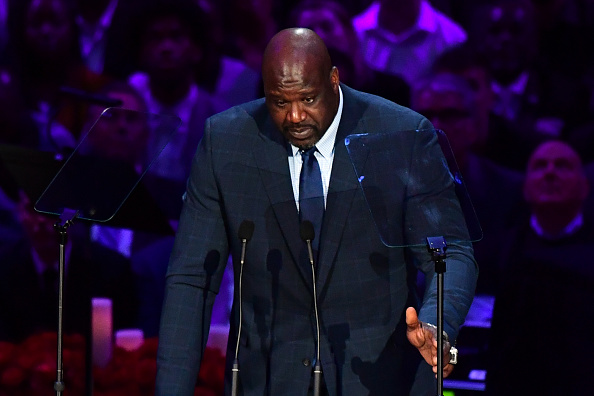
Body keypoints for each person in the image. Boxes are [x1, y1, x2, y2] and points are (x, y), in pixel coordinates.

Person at [156, 28, 478, 395]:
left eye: (308, 98)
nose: (295, 116)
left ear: (334, 80)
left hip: (382, 378)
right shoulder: (225, 143)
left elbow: (450, 250)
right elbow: (191, 279)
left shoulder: (401, 134)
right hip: (269, 381)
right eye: (279, 102)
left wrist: (438, 323)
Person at [486, 140, 594, 395]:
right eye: (540, 166)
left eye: (563, 166)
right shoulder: (499, 251)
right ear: (525, 188)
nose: (550, 172)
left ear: (584, 187)